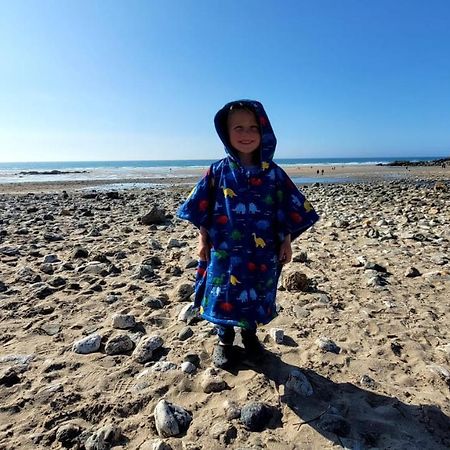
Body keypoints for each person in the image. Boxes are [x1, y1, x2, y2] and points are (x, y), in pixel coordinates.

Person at [177, 100, 319, 368]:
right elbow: (202, 208)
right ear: (226, 133)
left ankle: (250, 336)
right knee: (223, 294)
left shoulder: (274, 175)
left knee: (256, 292)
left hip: (261, 251)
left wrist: (287, 241)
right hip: (224, 251)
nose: (246, 134)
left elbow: (286, 208)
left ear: (264, 131)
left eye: (253, 127)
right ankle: (224, 340)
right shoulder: (217, 171)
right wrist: (202, 239)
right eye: (238, 128)